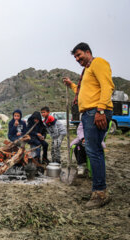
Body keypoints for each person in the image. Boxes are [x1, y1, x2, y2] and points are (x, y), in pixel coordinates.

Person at [63, 42, 114, 209]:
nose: (78, 59)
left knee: (94, 150)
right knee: (93, 150)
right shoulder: (86, 72)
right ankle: (98, 189)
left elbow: (107, 86)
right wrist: (71, 85)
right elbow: (83, 91)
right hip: (89, 113)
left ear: (87, 52)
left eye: (79, 55)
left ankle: (100, 192)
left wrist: (100, 110)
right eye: (76, 57)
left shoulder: (98, 63)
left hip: (95, 112)